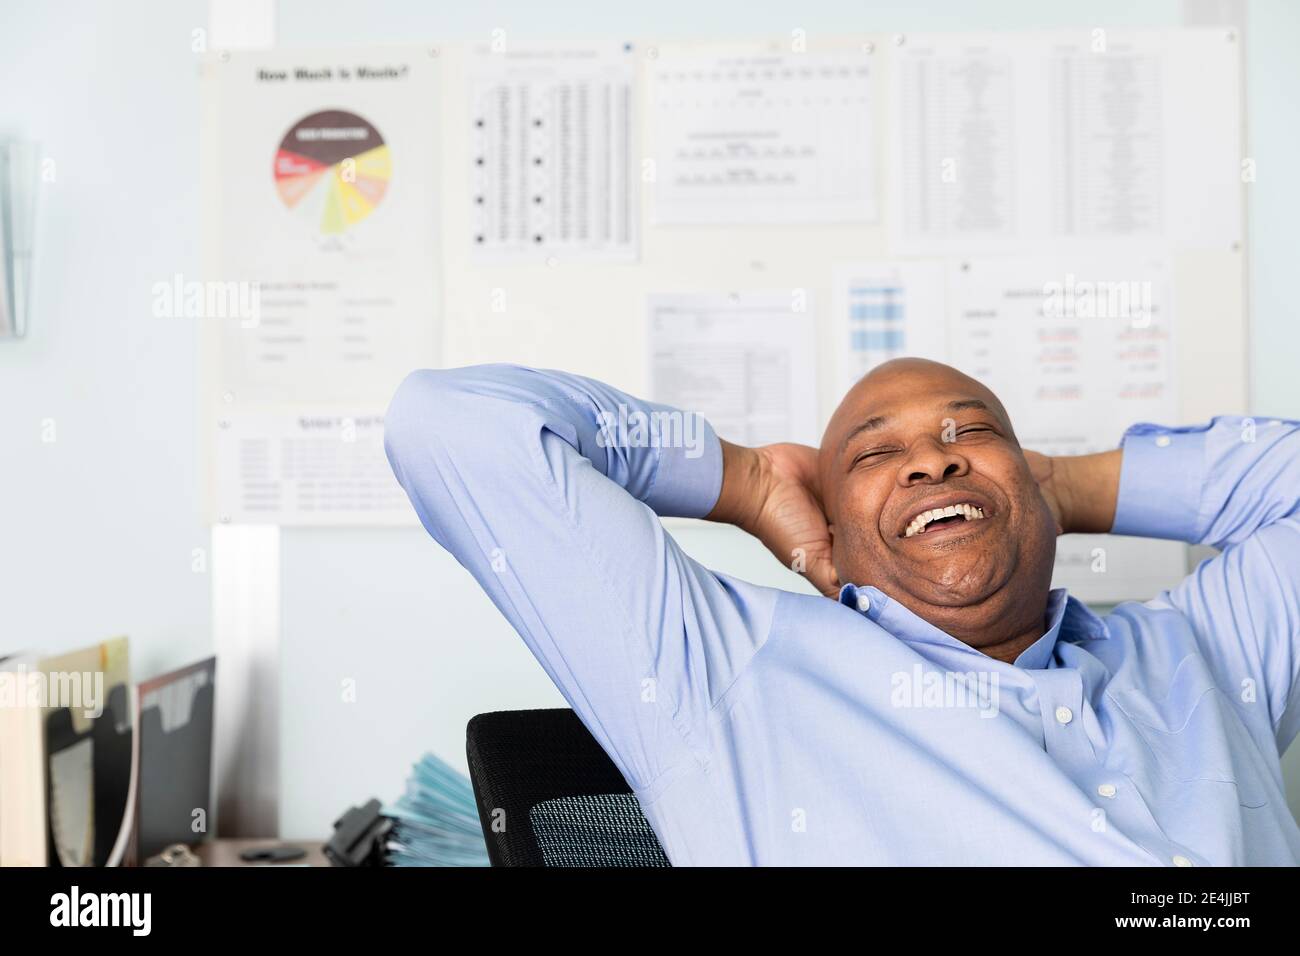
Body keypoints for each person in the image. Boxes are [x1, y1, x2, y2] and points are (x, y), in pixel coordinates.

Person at [383, 358, 1300, 865]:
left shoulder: (1207, 653)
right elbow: (451, 424)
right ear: (832, 535)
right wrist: (739, 480)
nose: (933, 462)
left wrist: (1067, 482)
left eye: (970, 433)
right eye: (873, 456)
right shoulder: (728, 672)